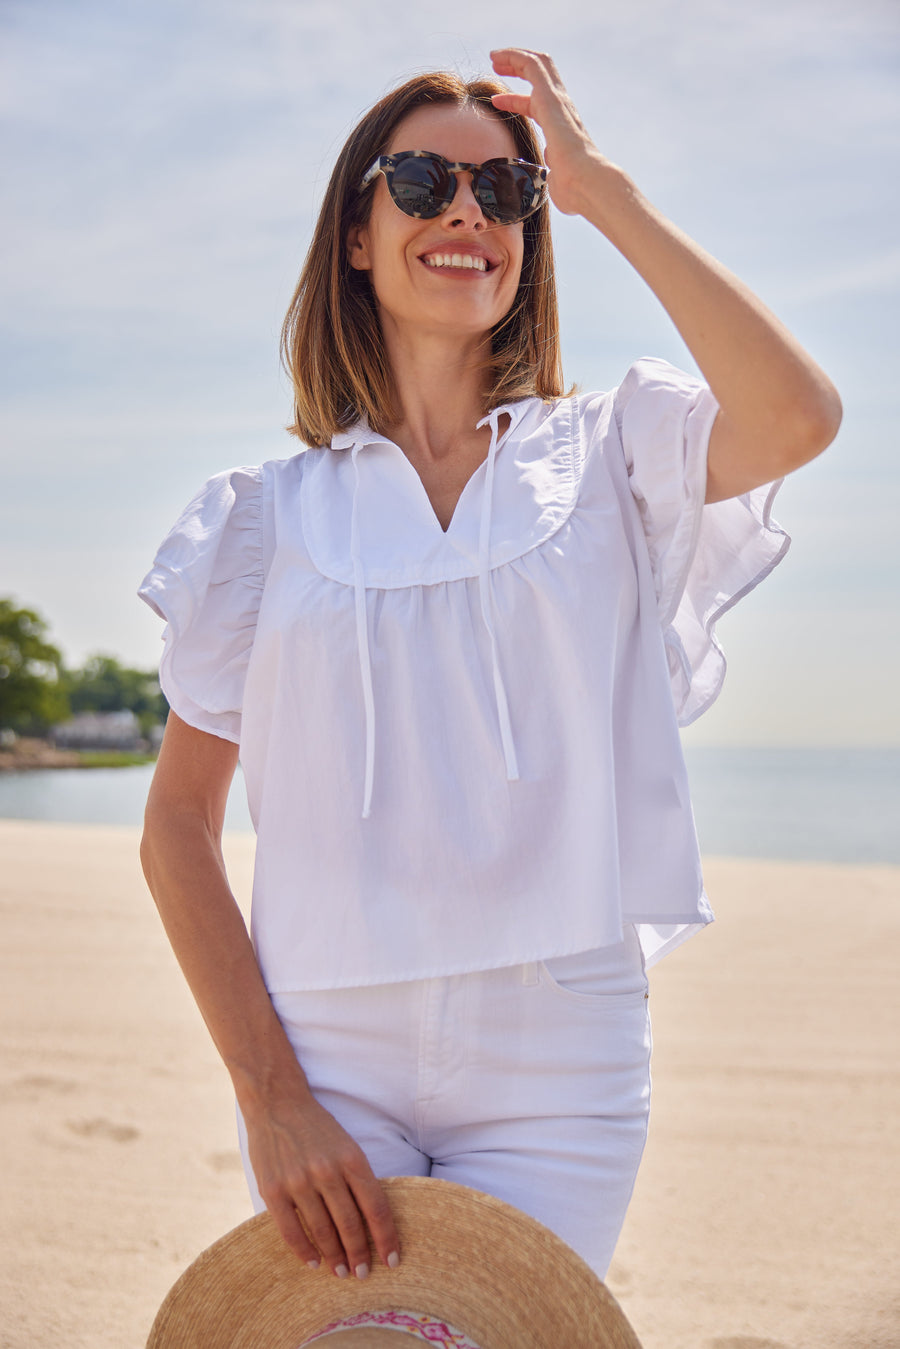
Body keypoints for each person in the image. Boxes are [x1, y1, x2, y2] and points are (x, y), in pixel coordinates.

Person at [139, 48, 841, 1291]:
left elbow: (798, 414)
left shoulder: (619, 451)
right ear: (356, 234)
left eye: (505, 191)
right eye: (421, 178)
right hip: (327, 1051)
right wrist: (271, 1096)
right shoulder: (261, 520)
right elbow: (178, 830)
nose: (467, 210)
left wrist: (600, 188)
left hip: (559, 1061)